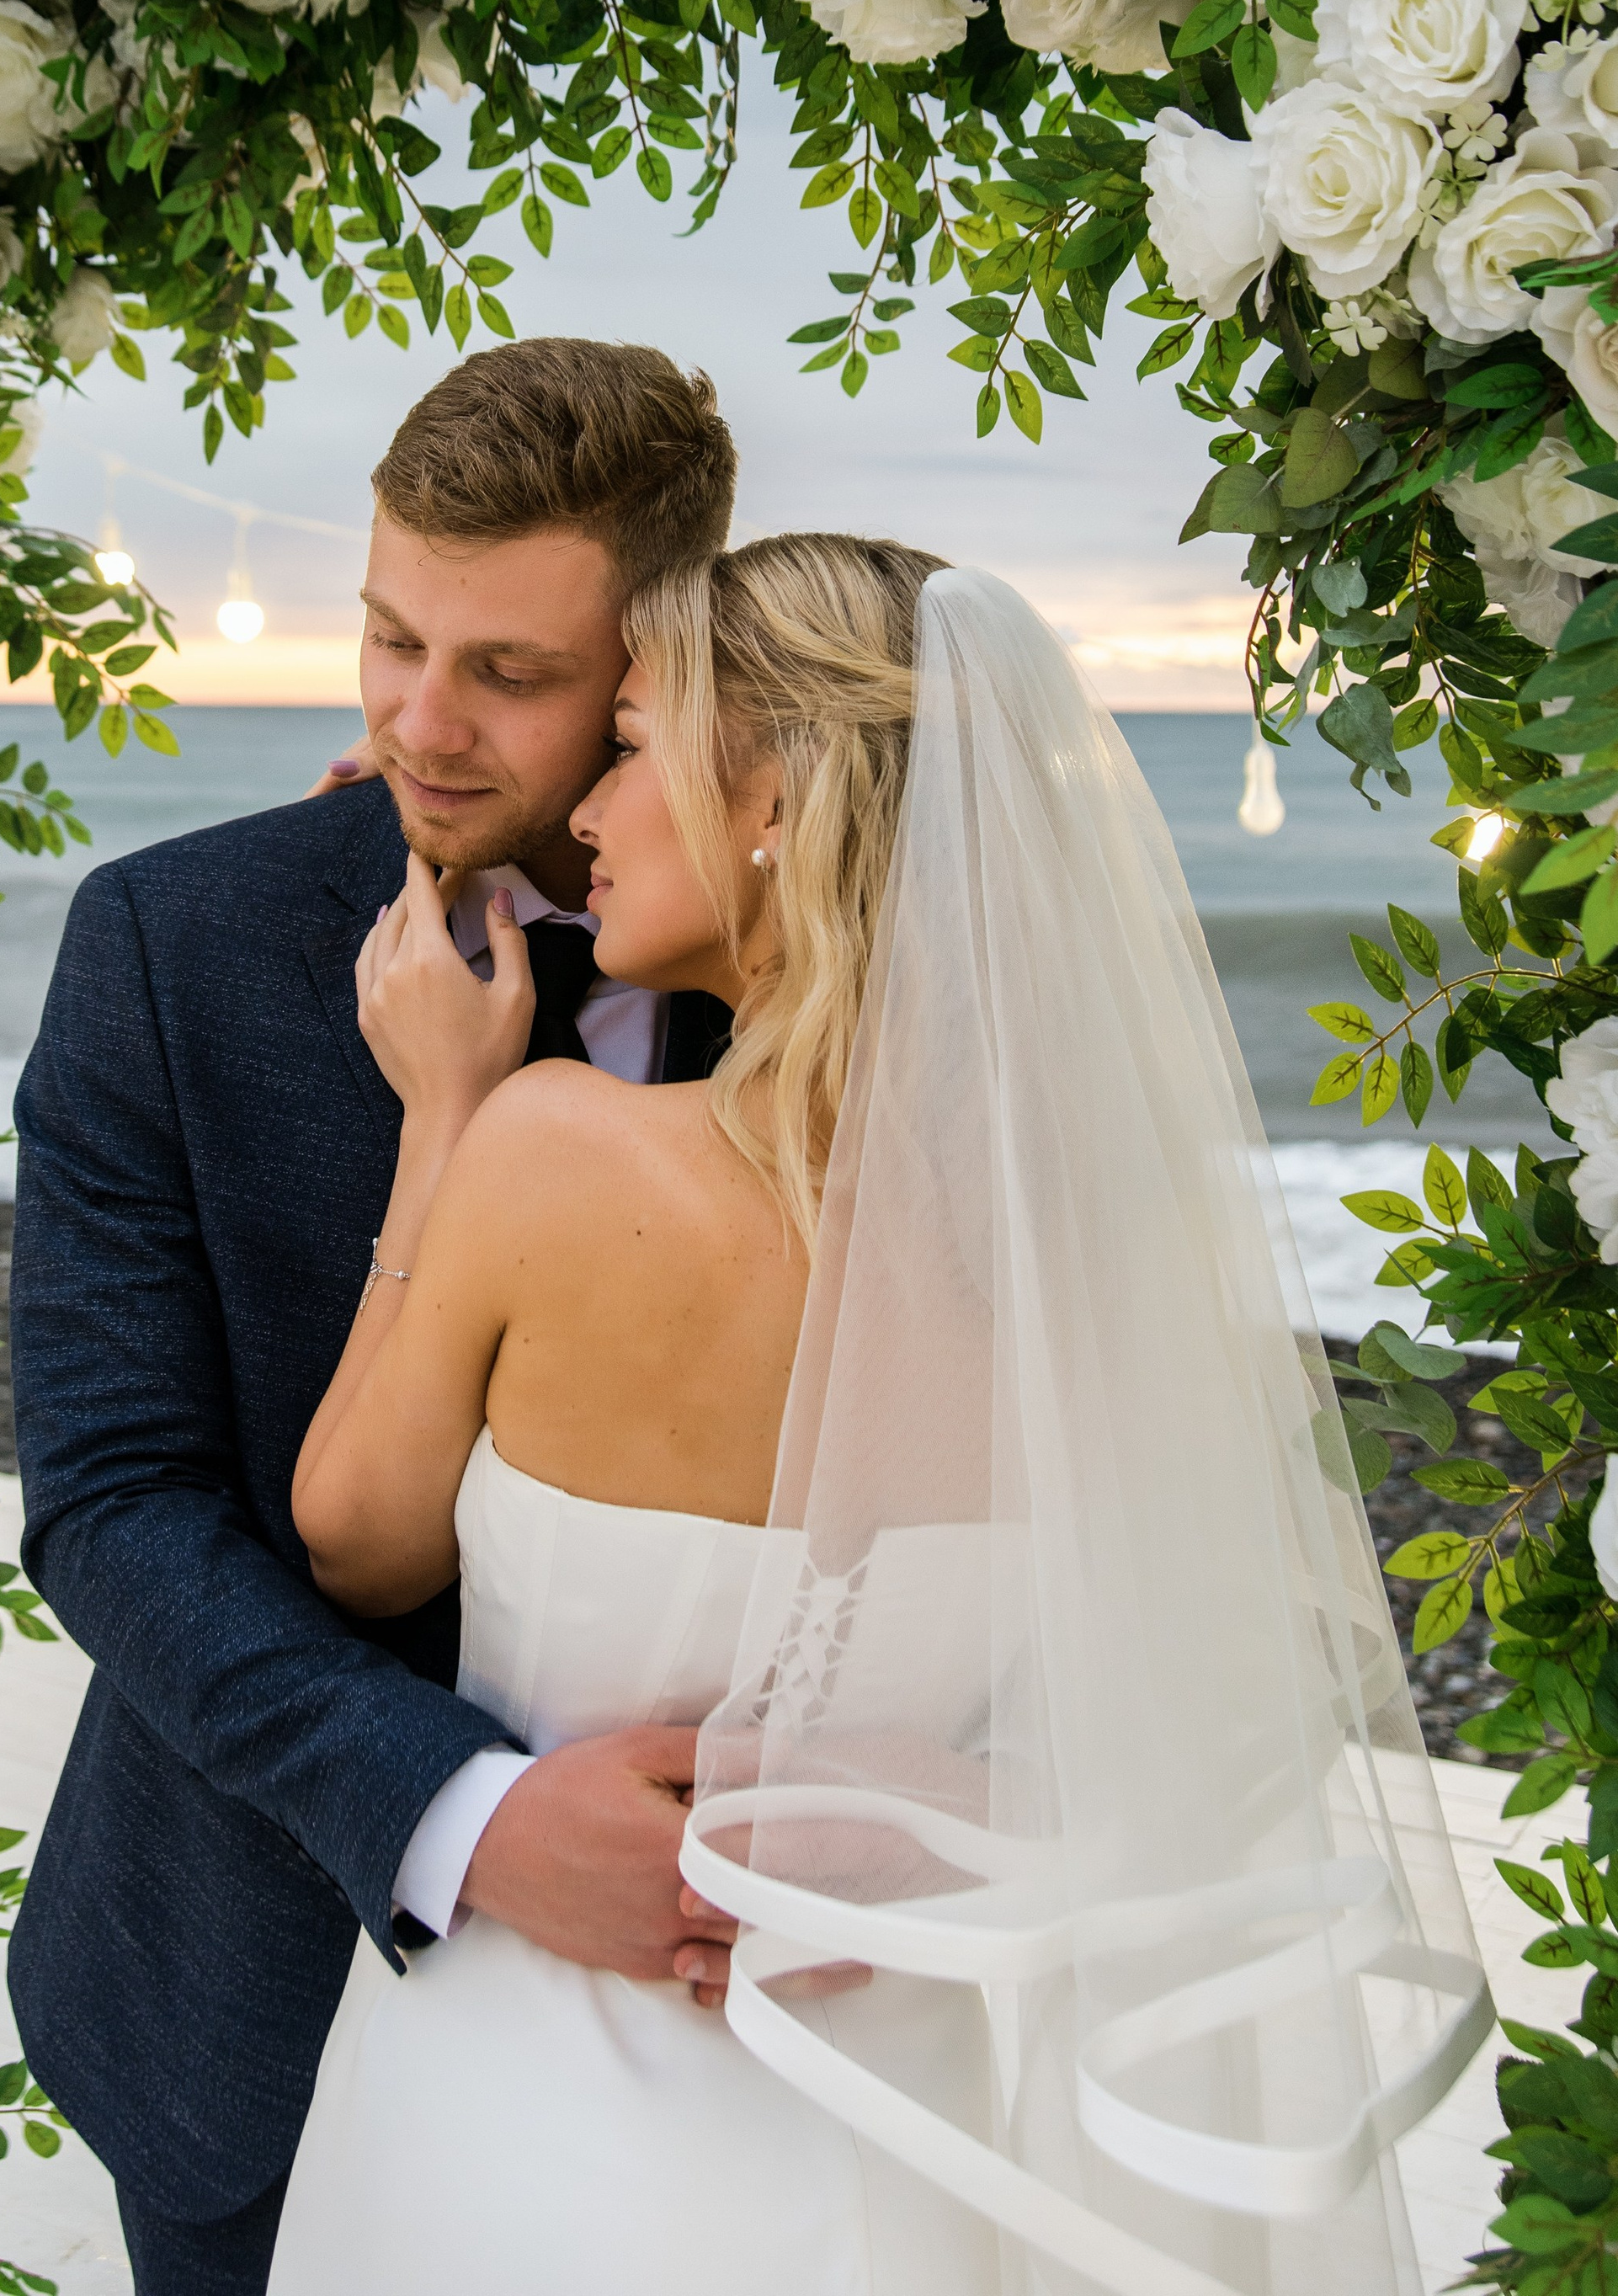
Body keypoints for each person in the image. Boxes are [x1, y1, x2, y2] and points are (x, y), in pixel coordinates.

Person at [268, 538, 1493, 2295]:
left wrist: (439, 1116)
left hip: (528, 2100)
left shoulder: (547, 1150)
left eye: (630, 744)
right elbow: (1221, 1683)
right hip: (910, 2105)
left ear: (767, 792)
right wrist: (957, 1791)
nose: (592, 811)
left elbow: (355, 1542)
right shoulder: (1081, 1243)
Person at [7, 339, 742, 2296]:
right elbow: (111, 1504)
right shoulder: (168, 944)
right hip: (236, 1988)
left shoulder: (821, 973)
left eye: (509, 672)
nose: (421, 722)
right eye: (390, 637)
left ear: (656, 672)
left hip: (714, 2016)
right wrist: (467, 1818)